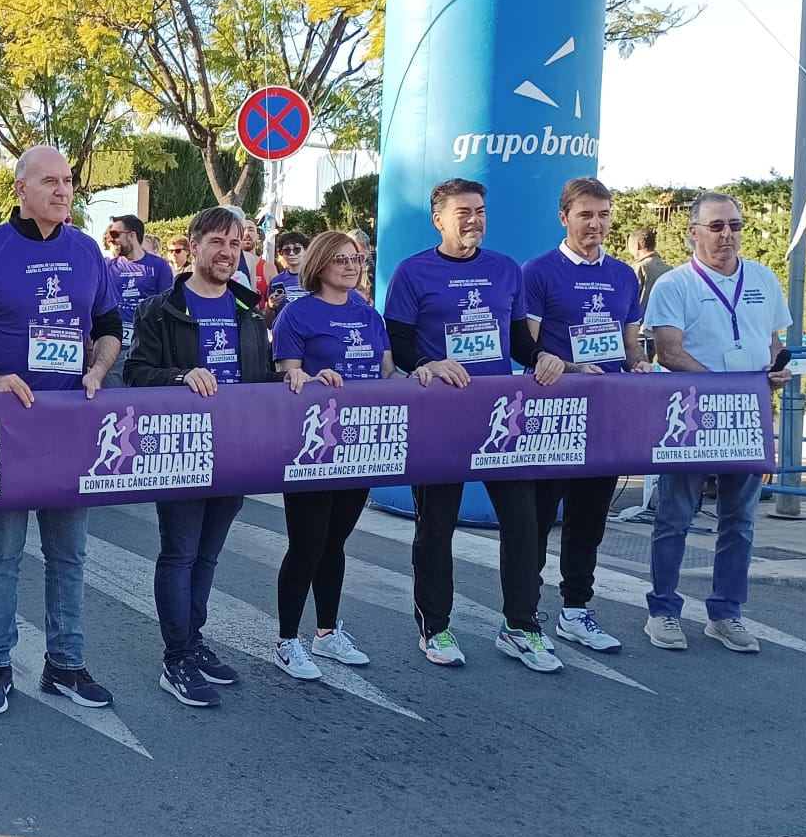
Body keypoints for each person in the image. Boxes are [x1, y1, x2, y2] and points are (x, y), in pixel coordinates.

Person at [0, 145, 122, 716]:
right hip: (8, 429)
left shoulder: (88, 250)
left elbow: (111, 326)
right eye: (50, 181)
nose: (63, 191)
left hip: (68, 426)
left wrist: (97, 368)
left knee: (71, 553)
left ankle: (66, 664)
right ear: (20, 189)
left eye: (68, 182)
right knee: (3, 552)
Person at [384, 178, 562, 673]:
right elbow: (395, 339)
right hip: (440, 416)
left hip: (498, 415)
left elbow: (515, 342)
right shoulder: (413, 271)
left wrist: (543, 357)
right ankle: (435, 626)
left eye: (480, 211)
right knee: (436, 526)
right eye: (463, 212)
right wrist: (427, 363)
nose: (473, 220)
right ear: (439, 219)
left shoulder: (506, 269)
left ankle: (521, 626)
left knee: (524, 523)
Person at [122, 206, 274, 708]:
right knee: (181, 553)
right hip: (183, 451)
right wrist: (180, 376)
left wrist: (295, 379)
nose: (227, 252)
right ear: (192, 246)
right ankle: (177, 657)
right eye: (216, 242)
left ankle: (195, 641)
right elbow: (137, 373)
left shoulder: (250, 312)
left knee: (207, 555)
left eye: (236, 243)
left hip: (235, 451)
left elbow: (262, 379)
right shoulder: (161, 308)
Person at [643, 191, 794, 653]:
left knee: (740, 520)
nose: (727, 234)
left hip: (746, 418)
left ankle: (726, 613)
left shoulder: (764, 280)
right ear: (693, 232)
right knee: (675, 515)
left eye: (734, 225)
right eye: (716, 226)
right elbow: (667, 350)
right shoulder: (674, 285)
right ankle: (663, 612)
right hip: (691, 415)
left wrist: (774, 371)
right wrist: (720, 388)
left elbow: (770, 340)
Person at [520, 178, 650, 657]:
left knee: (588, 520)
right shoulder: (538, 271)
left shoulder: (622, 275)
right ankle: (524, 615)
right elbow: (528, 349)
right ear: (564, 217)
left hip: (605, 414)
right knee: (537, 519)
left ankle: (576, 610)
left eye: (603, 215)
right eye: (585, 215)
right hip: (554, 413)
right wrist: (570, 367)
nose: (595, 225)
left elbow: (630, 343)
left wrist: (638, 363)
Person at [270, 228, 397, 679]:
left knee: (335, 543)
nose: (351, 265)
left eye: (357, 258)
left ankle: (326, 633)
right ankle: (287, 640)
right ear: (320, 263)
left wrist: (425, 373)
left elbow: (388, 373)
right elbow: (288, 374)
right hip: (312, 445)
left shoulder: (368, 314)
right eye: (341, 258)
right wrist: (308, 377)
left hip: (360, 443)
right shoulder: (296, 314)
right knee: (307, 544)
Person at [102, 214, 175, 386]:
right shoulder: (108, 267)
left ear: (132, 235)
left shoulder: (158, 266)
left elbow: (168, 306)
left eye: (115, 235)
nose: (111, 240)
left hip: (147, 347)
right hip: (116, 348)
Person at [264, 231, 309, 321]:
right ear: (282, 254)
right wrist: (270, 306)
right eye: (287, 250)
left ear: (306, 251)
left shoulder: (317, 279)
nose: (292, 253)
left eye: (297, 249)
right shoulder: (276, 282)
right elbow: (269, 323)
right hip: (285, 331)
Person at [631, 227, 669, 317]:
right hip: (666, 326)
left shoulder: (638, 268)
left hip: (640, 327)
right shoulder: (670, 269)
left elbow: (627, 301)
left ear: (637, 245)